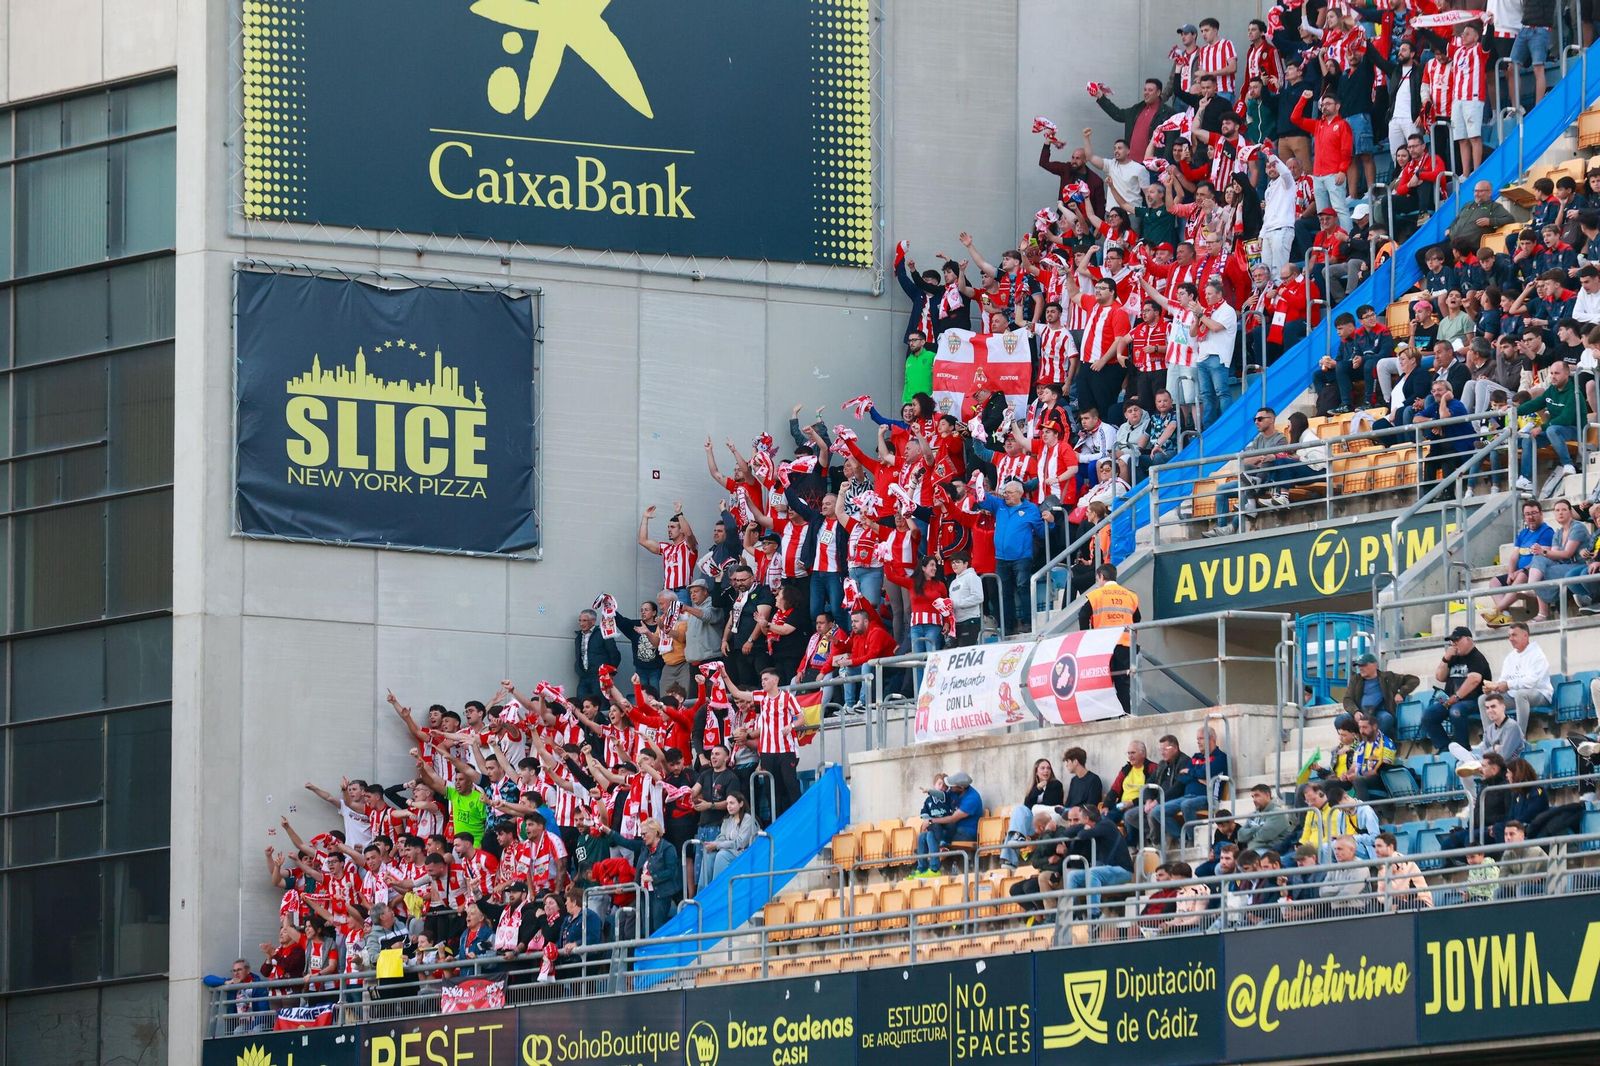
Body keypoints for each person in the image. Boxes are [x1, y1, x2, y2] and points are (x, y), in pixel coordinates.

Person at [722, 667, 803, 817]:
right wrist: (725, 676)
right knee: (771, 789)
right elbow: (737, 693)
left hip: (786, 750)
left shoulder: (787, 697)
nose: (763, 682)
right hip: (766, 752)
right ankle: (777, 823)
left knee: (790, 785)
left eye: (766, 679)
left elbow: (801, 718)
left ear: (775, 680)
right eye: (762, 680)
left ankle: (799, 818)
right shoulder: (760, 696)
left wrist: (790, 726)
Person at [979, 479, 1049, 635]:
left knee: (1023, 588)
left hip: (1021, 557)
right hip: (1001, 558)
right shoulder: (1000, 505)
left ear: (1019, 493)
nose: (1006, 496)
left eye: (1009, 493)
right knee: (1004, 591)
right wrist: (978, 480)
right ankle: (1009, 626)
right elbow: (982, 498)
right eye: (1005, 492)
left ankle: (1027, 622)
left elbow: (1042, 533)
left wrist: (1050, 523)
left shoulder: (1031, 509)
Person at [1483, 502, 1557, 627]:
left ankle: (1497, 610)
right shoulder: (1523, 533)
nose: (1530, 517)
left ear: (1541, 514)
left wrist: (1519, 571)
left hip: (1534, 571)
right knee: (1494, 582)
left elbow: (1542, 557)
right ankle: (1505, 616)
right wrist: (1511, 572)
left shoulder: (1547, 532)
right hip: (1519, 572)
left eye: (1534, 513)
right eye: (1527, 514)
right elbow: (1514, 555)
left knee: (1521, 576)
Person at [1422, 626, 1494, 752]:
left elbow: (1474, 680)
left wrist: (1456, 697)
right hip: (1451, 700)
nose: (1454, 644)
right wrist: (1446, 658)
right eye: (1452, 641)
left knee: (1456, 711)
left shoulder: (1477, 658)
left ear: (1468, 640)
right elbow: (1440, 677)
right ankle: (1445, 748)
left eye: (1457, 640)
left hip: (1474, 700)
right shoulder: (1454, 657)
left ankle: (1463, 748)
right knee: (1429, 715)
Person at [1078, 563, 1139, 712]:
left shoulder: (1096, 595)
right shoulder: (1130, 595)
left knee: (1103, 683)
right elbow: (1137, 618)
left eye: (1097, 579)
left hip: (1103, 646)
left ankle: (1104, 717)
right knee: (1123, 683)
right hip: (1125, 645)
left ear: (1101, 576)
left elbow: (1082, 615)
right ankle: (1125, 715)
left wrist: (1088, 638)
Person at [1059, 804, 1135, 922]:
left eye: (1080, 820)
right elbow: (1068, 832)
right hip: (1107, 870)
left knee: (1093, 873)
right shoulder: (1095, 825)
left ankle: (1095, 914)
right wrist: (1084, 827)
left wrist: (1084, 828)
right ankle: (1074, 913)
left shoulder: (1105, 825)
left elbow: (1082, 835)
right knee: (1072, 876)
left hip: (1122, 870)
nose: (1078, 823)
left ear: (1087, 819)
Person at [1159, 727, 1229, 845]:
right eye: (1197, 739)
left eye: (1201, 738)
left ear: (1211, 739)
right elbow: (1182, 778)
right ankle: (1183, 837)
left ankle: (1193, 840)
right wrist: (1198, 776)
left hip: (1209, 797)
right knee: (1158, 811)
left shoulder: (1220, 757)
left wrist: (1191, 772)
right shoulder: (1196, 757)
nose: (1198, 742)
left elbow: (1203, 773)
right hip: (1187, 796)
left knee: (1187, 805)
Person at [1479, 622, 1553, 729]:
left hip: (1540, 694)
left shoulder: (1537, 655)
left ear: (1525, 636)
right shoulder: (1510, 658)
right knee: (1484, 699)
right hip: (1513, 696)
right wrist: (1493, 689)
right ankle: (1490, 738)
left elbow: (1532, 681)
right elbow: (1503, 681)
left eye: (1514, 635)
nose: (1510, 639)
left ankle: (1519, 737)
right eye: (1509, 636)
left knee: (1521, 694)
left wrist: (1508, 685)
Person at [1001, 759, 1064, 868]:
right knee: (1019, 810)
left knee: (1033, 809)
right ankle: (1012, 853)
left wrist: (1036, 807)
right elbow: (1027, 807)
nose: (1046, 771)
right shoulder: (1034, 788)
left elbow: (1050, 803)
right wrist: (1038, 788)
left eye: (1048, 768)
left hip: (1048, 821)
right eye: (1042, 768)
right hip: (1034, 824)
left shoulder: (1055, 785)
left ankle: (1009, 857)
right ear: (1036, 771)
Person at [1341, 652, 1419, 740]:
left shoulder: (1388, 677)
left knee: (1387, 719)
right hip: (1361, 713)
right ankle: (1354, 745)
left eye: (1364, 665)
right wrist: (1355, 711)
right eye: (1359, 666)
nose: (1360, 668)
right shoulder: (1355, 679)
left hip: (1378, 713)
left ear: (1375, 665)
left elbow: (1413, 680)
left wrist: (1401, 693)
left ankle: (1375, 744)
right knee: (1340, 720)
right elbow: (1347, 699)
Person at [699, 790, 757, 885]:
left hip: (743, 852)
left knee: (721, 855)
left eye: (732, 803)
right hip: (729, 850)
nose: (728, 806)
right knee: (709, 855)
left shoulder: (748, 819)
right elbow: (722, 837)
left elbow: (740, 843)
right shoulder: (728, 819)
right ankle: (702, 893)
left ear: (741, 803)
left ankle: (717, 889)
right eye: (727, 804)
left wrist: (717, 845)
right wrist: (713, 844)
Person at [1373, 833, 1433, 911]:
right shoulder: (1382, 867)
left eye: (1379, 846)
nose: (1376, 850)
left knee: (1393, 905)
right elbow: (1380, 894)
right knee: (1374, 905)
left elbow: (1401, 889)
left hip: (1420, 902)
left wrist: (1388, 901)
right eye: (1375, 847)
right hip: (1400, 902)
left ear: (1390, 847)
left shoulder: (1402, 861)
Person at [573, 609, 620, 701]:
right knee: (582, 702)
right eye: (580, 620)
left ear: (593, 621)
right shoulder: (579, 636)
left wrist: (610, 673)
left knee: (600, 703)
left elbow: (615, 654)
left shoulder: (602, 633)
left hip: (599, 676)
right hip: (584, 676)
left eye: (584, 620)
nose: (581, 623)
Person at [1236, 783, 1295, 854]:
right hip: (1254, 850)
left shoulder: (1277, 812)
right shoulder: (1253, 815)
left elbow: (1263, 837)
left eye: (1257, 796)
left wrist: (1250, 836)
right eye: (1253, 797)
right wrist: (1257, 828)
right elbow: (1240, 836)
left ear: (1267, 795)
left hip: (1271, 851)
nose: (1254, 800)